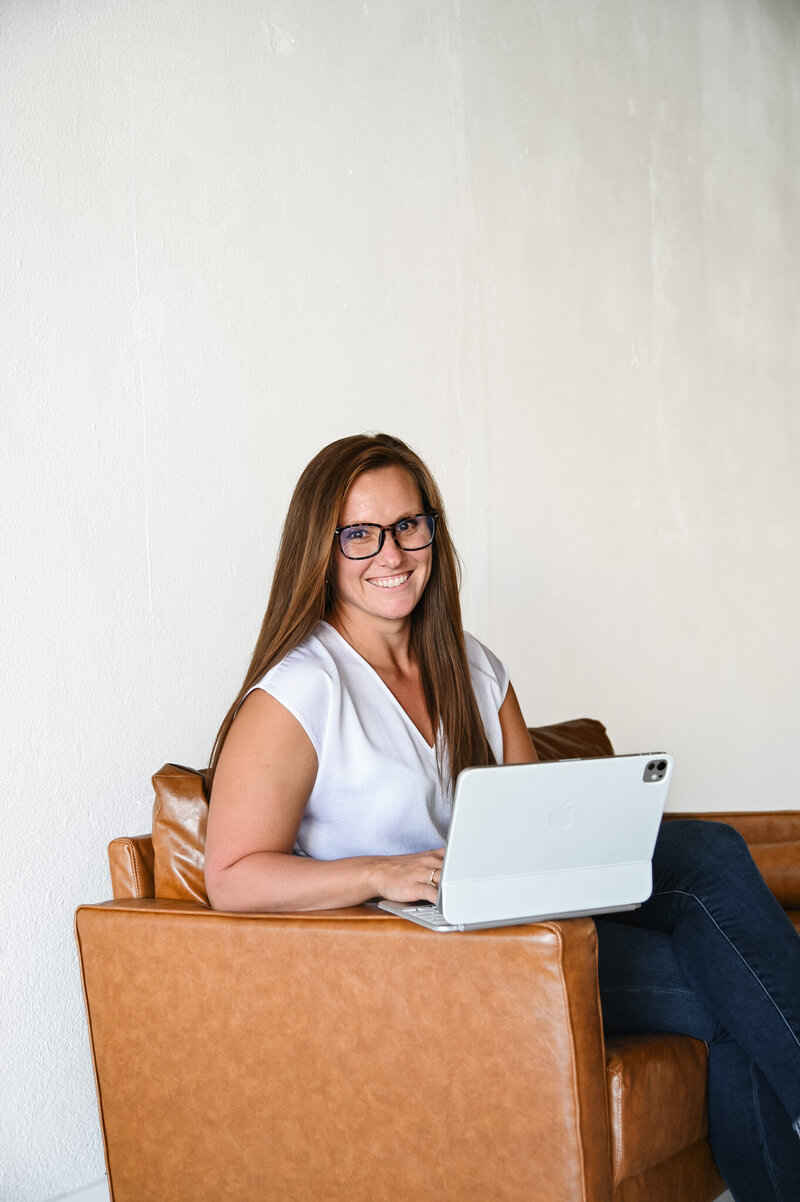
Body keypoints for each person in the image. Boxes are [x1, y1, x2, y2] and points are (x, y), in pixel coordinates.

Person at [205, 432, 800, 1201]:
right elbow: (231, 877)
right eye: (360, 534)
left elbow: (534, 813)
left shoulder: (471, 663)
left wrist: (597, 831)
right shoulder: (299, 693)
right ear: (322, 549)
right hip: (429, 958)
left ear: (433, 533)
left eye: (409, 525)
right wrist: (385, 871)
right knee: (735, 991)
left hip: (512, 915)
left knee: (710, 853)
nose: (391, 552)